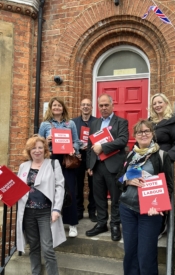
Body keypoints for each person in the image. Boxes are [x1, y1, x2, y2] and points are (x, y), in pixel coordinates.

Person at [116, 119, 173, 275]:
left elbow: (169, 187)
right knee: (130, 255)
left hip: (150, 213)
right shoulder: (130, 155)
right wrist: (126, 180)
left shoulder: (162, 156)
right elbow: (119, 179)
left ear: (152, 133)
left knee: (146, 257)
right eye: (140, 132)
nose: (143, 134)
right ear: (135, 135)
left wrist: (161, 208)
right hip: (127, 209)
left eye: (147, 131)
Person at [16, 135, 65, 275]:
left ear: (45, 150)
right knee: (34, 247)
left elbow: (59, 187)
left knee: (48, 249)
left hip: (46, 212)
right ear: (29, 151)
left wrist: (57, 209)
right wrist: (6, 195)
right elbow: (16, 189)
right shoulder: (24, 166)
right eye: (33, 148)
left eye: (40, 148)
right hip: (28, 212)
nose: (37, 151)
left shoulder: (53, 164)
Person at [86, 94, 129, 241]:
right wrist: (89, 165)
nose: (103, 108)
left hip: (114, 165)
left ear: (112, 105)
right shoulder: (94, 124)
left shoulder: (121, 122)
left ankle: (115, 224)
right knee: (99, 197)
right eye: (101, 106)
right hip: (97, 165)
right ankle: (101, 223)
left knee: (116, 197)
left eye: (106, 105)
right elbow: (90, 146)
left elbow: (123, 140)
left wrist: (103, 147)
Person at [39, 97, 81, 238]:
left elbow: (76, 141)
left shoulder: (71, 124)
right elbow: (38, 144)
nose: (57, 107)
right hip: (51, 159)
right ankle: (53, 222)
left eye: (59, 105)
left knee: (69, 190)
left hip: (66, 160)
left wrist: (73, 149)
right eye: (54, 105)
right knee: (51, 190)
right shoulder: (45, 125)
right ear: (51, 108)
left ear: (63, 108)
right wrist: (46, 141)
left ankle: (72, 224)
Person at [150, 93, 175, 238]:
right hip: (150, 163)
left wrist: (166, 159)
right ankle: (151, 222)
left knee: (162, 194)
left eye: (160, 102)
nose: (157, 105)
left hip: (163, 164)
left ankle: (161, 225)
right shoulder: (150, 122)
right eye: (154, 103)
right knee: (151, 193)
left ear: (166, 103)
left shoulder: (172, 122)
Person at [72, 98, 97, 222]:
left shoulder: (97, 122)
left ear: (91, 107)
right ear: (80, 107)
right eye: (83, 105)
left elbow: (101, 139)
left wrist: (91, 144)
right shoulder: (73, 122)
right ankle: (79, 210)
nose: (86, 107)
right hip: (78, 157)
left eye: (88, 105)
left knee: (94, 185)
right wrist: (77, 149)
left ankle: (92, 211)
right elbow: (70, 139)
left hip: (93, 156)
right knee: (78, 185)